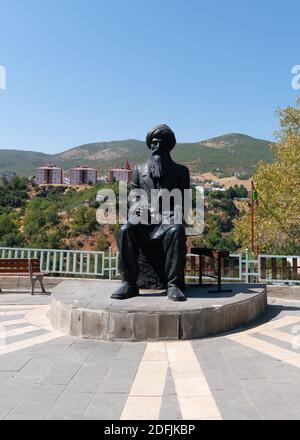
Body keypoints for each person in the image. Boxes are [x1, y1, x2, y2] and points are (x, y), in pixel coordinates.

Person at [111, 124, 190, 301]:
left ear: (169, 146)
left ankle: (173, 285)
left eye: (162, 143)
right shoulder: (139, 171)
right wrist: (136, 205)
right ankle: (129, 284)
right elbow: (133, 195)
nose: (157, 146)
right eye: (154, 143)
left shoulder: (181, 172)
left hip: (167, 221)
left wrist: (176, 213)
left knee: (177, 229)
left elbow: (184, 200)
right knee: (125, 230)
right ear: (150, 145)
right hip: (145, 221)